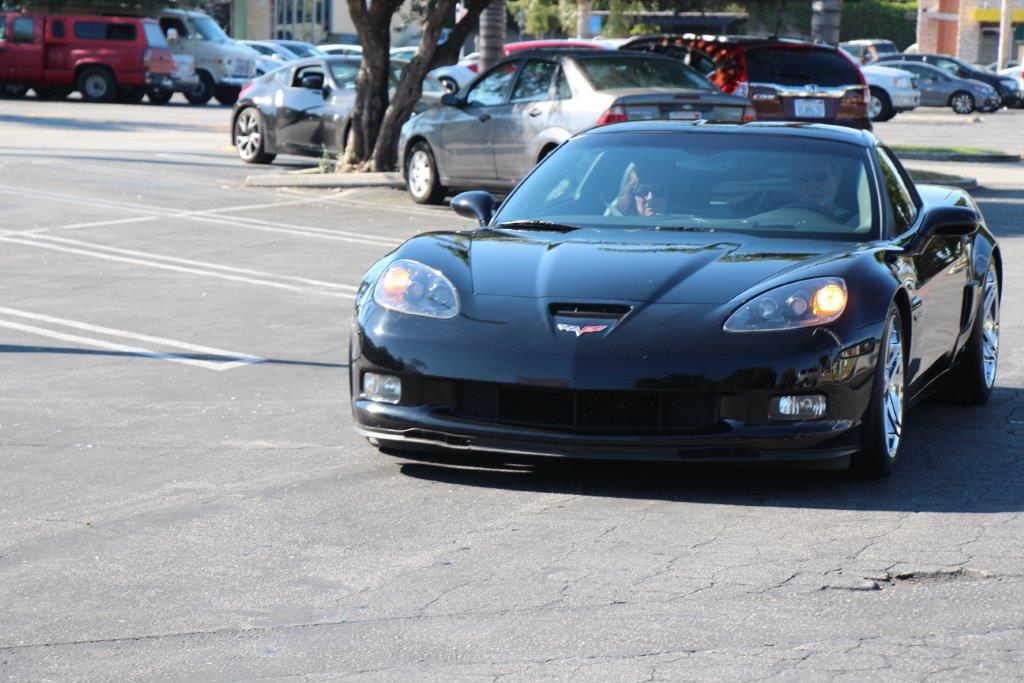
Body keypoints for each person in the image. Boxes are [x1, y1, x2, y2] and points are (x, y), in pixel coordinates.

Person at [790, 158, 856, 224]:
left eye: (821, 176)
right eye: (803, 178)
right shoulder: (783, 222)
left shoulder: (856, 223)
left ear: (836, 180)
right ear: (793, 184)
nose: (812, 185)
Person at [605, 162, 672, 217]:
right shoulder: (616, 230)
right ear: (631, 196)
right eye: (642, 191)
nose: (650, 198)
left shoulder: (680, 228)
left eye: (659, 191)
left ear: (668, 196)